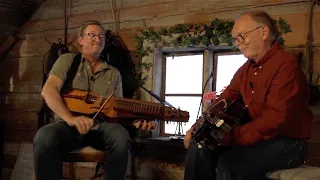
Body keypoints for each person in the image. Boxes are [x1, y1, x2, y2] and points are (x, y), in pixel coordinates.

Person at [183, 10, 313, 180]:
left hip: (289, 143)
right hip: (259, 139)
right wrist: (196, 130)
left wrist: (232, 136)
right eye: (235, 39)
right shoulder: (245, 70)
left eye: (241, 36)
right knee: (199, 148)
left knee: (230, 163)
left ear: (263, 33)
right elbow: (224, 100)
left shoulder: (286, 66)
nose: (238, 43)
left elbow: (275, 119)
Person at [33, 20, 155, 180]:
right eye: (92, 35)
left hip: (101, 129)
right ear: (81, 40)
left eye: (101, 36)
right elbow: (48, 91)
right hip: (68, 127)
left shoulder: (114, 73)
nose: (97, 39)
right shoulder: (67, 61)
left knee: (120, 135)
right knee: (44, 136)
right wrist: (71, 119)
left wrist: (135, 122)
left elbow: (116, 112)